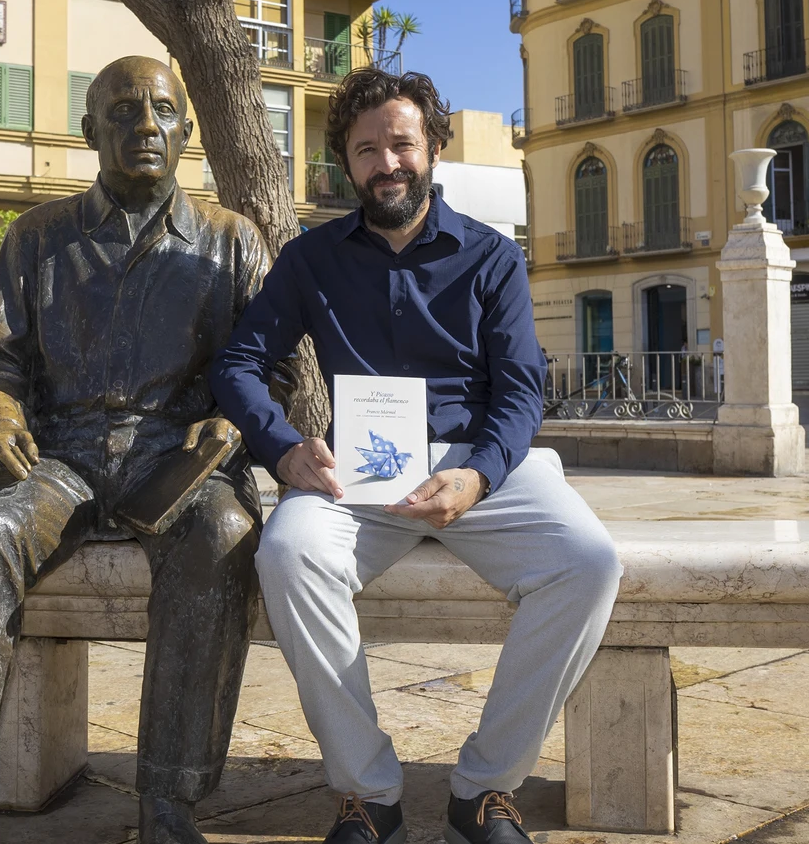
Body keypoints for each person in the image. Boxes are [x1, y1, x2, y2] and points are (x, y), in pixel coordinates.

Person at [210, 69, 622, 844]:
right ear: (347, 165)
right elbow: (237, 362)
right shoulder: (311, 259)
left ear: (432, 146)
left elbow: (522, 389)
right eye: (367, 150)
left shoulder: (493, 257)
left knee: (589, 561)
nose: (387, 162)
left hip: (483, 465)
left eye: (401, 143)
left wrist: (476, 474)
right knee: (289, 551)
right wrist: (284, 448)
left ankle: (486, 788)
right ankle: (368, 793)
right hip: (362, 470)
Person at [0, 57, 273, 844]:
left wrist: (232, 422)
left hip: (177, 462)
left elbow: (267, 364)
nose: (146, 126)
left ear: (187, 131)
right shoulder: (37, 238)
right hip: (57, 459)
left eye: (164, 110)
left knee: (222, 534)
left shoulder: (232, 243)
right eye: (124, 110)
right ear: (89, 129)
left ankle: (170, 799)